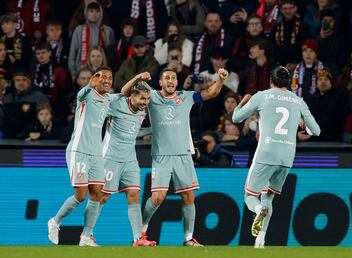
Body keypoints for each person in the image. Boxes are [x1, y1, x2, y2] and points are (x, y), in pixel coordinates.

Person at [121, 67, 229, 246]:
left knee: (188, 196)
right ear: (160, 82)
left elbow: (211, 93)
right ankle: (142, 231)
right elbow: (126, 93)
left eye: (173, 78)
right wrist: (138, 76)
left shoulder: (186, 97)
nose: (170, 81)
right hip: (161, 156)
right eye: (166, 78)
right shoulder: (152, 96)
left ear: (177, 82)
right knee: (157, 198)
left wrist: (221, 79)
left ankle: (188, 239)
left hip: (183, 154)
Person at [232, 66, 320, 248]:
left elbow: (237, 118)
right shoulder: (298, 101)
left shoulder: (262, 95)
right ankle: (260, 241)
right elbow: (316, 131)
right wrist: (302, 124)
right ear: (289, 82)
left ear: (270, 81)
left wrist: (242, 103)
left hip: (266, 153)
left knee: (250, 195)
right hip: (287, 157)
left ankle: (258, 210)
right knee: (268, 196)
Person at [47, 66, 113, 247]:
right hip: (79, 150)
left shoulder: (108, 100)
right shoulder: (86, 95)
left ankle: (86, 237)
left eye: (109, 77)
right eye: (102, 77)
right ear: (95, 79)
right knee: (81, 195)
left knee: (97, 193)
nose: (106, 80)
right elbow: (83, 93)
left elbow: (124, 98)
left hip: (96, 153)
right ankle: (55, 222)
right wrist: (92, 83)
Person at [100, 73, 157, 246]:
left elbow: (133, 131)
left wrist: (151, 131)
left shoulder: (142, 112)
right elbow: (123, 91)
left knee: (134, 195)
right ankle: (87, 234)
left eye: (147, 99)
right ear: (132, 96)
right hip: (110, 157)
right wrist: (138, 77)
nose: (145, 102)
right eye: (141, 98)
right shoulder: (116, 104)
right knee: (101, 198)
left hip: (130, 159)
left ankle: (138, 239)